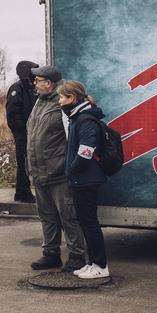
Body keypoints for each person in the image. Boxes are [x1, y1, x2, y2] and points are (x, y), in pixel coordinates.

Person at [26, 65, 87, 272]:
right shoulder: (39, 102)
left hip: (58, 172)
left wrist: (69, 165)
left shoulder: (62, 103)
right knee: (47, 216)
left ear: (49, 83)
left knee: (68, 216)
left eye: (38, 80)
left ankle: (77, 255)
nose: (35, 83)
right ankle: (51, 253)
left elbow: (74, 136)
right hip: (39, 171)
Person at [57, 80, 111, 279]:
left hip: (87, 180)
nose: (60, 101)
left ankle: (101, 265)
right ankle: (91, 263)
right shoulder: (77, 118)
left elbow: (86, 152)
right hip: (81, 180)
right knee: (85, 222)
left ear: (72, 97)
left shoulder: (85, 120)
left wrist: (71, 171)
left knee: (89, 223)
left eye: (61, 97)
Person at [5, 60, 38, 203]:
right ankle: (23, 192)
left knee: (26, 163)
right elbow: (12, 114)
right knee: (23, 163)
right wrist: (21, 132)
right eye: (32, 71)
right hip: (22, 135)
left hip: (29, 133)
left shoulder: (30, 88)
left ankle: (23, 192)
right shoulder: (17, 88)